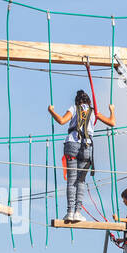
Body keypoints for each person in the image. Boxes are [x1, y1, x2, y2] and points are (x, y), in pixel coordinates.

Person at [48, 89, 115, 223]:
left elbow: (61, 121)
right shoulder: (93, 111)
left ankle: (70, 212)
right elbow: (112, 122)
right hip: (87, 145)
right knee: (81, 181)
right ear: (88, 101)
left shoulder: (74, 108)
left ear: (77, 101)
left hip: (72, 144)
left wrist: (51, 110)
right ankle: (78, 212)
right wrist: (112, 110)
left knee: (71, 180)